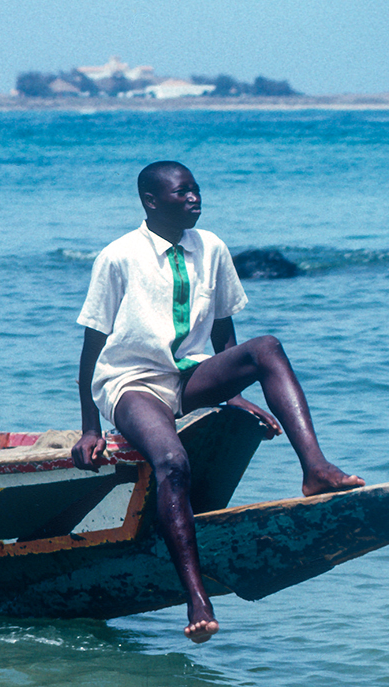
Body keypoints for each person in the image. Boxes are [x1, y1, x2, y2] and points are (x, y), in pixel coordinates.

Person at [72, 160, 363, 643]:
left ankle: (316, 469)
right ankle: (196, 596)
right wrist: (89, 428)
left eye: (196, 190)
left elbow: (226, 332)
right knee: (172, 462)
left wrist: (234, 396)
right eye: (182, 192)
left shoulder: (213, 247)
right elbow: (92, 347)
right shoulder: (118, 256)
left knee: (265, 347)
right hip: (133, 381)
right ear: (151, 201)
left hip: (189, 374)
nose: (194, 198)